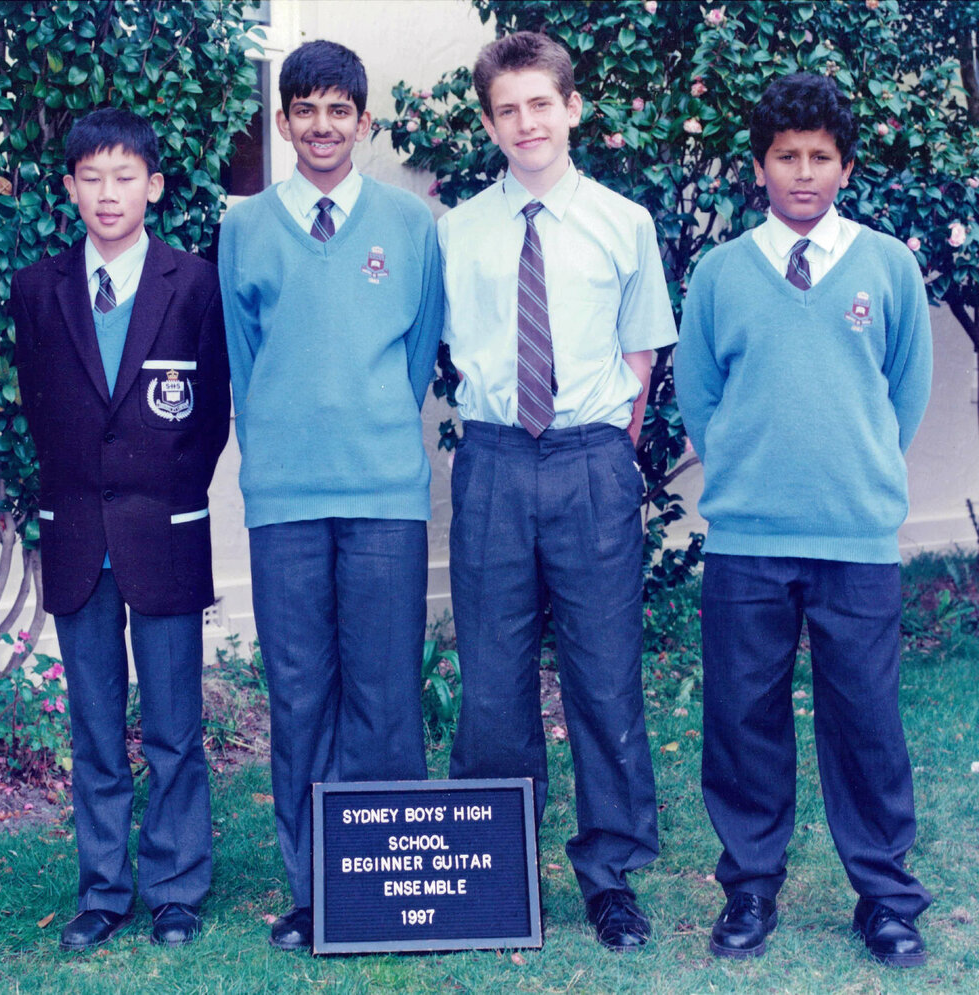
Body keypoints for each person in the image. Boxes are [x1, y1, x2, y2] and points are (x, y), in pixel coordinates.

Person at [674, 72, 932, 967]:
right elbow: (701, 397)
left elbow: (905, 392)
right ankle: (749, 887)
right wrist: (749, 471)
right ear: (760, 166)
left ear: (847, 167)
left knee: (865, 717)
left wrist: (853, 471)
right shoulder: (719, 274)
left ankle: (886, 897)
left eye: (822, 157)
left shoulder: (888, 267)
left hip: (854, 538)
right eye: (788, 157)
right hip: (748, 540)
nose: (805, 173)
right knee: (743, 719)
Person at [438, 31, 677, 951]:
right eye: (507, 109)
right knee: (493, 679)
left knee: (605, 671)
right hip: (495, 461)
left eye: (542, 103)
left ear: (572, 107)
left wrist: (604, 450)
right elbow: (448, 349)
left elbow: (641, 353)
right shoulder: (457, 232)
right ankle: (495, 866)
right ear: (490, 123)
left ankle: (610, 872)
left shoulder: (625, 223)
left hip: (588, 460)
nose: (526, 122)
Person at [218, 40, 443, 951]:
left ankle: (384, 881)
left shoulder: (411, 225)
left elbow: (420, 352)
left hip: (385, 489)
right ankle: (314, 888)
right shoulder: (244, 228)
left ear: (363, 122)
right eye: (303, 109)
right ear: (282, 121)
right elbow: (244, 362)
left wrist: (374, 422)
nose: (320, 125)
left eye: (338, 110)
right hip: (284, 497)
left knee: (385, 690)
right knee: (301, 692)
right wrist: (279, 444)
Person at [11, 108, 230, 950]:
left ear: (155, 186)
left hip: (163, 530)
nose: (109, 194)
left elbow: (208, 411)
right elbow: (42, 408)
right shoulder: (38, 289)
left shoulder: (194, 283)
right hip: (77, 536)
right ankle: (104, 889)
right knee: (95, 723)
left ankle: (176, 884)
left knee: (175, 722)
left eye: (125, 177)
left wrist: (160, 489)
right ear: (69, 189)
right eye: (91, 178)